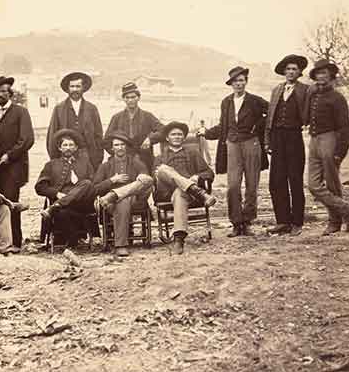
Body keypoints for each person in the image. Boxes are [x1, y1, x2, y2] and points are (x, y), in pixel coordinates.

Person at [201, 66, 268, 237]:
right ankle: (236, 223)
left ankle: (247, 222)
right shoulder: (226, 102)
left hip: (251, 143)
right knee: (233, 186)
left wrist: (257, 127)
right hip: (232, 145)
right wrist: (206, 133)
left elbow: (271, 114)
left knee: (252, 185)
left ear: (246, 82)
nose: (239, 84)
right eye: (235, 81)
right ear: (231, 84)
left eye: (242, 80)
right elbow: (224, 125)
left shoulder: (255, 100)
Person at [306, 59, 349, 235]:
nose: (321, 76)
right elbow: (305, 117)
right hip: (313, 140)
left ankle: (334, 222)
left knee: (332, 184)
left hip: (330, 139)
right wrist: (308, 93)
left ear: (331, 76)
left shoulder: (337, 98)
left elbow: (345, 128)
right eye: (318, 73)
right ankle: (347, 209)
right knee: (313, 185)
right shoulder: (312, 94)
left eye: (324, 73)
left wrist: (339, 153)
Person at [0, 76, 34, 249]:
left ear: (10, 93)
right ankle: (3, 241)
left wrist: (9, 156)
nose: (1, 94)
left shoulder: (21, 112)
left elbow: (27, 139)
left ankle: (16, 242)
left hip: (14, 168)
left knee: (11, 202)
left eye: (5, 91)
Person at [154, 122, 216, 254]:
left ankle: (178, 240)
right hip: (167, 193)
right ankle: (197, 190)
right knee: (162, 169)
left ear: (183, 138)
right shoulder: (160, 157)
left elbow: (209, 173)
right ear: (167, 138)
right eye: (173, 134)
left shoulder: (193, 153)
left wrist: (197, 177)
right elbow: (155, 177)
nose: (177, 137)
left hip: (187, 196)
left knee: (179, 192)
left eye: (179, 134)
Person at [264, 54, 309, 236]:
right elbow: (270, 117)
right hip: (277, 138)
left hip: (294, 137)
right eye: (288, 69)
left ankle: (297, 221)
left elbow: (310, 113)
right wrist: (268, 141)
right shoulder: (276, 90)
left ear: (299, 72)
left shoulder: (306, 90)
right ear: (284, 71)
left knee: (295, 179)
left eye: (294, 69)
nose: (291, 72)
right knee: (276, 180)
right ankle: (282, 221)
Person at [93, 131, 153, 256]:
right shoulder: (105, 166)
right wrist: (112, 180)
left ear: (126, 147)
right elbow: (96, 188)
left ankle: (116, 194)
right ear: (111, 148)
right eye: (116, 145)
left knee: (146, 180)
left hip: (135, 199)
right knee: (122, 201)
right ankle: (121, 245)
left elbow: (146, 180)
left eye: (122, 144)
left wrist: (135, 183)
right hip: (110, 202)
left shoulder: (136, 162)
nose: (119, 147)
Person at [35, 129, 98, 248]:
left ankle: (54, 207)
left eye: (71, 145)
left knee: (87, 183)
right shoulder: (51, 165)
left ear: (76, 148)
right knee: (62, 212)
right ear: (60, 148)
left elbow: (93, 185)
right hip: (63, 204)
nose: (68, 148)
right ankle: (72, 239)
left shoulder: (85, 163)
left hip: (82, 203)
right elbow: (39, 187)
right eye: (65, 145)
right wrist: (56, 194)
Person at [46, 72, 104, 170]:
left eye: (78, 86)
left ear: (83, 88)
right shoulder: (59, 109)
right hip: (65, 155)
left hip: (87, 156)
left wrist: (97, 157)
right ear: (68, 88)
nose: (75, 89)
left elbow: (98, 135)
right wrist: (55, 158)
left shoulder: (92, 108)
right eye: (72, 86)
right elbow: (52, 135)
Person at [105, 82, 164, 171]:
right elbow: (107, 140)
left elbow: (163, 130)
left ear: (138, 98)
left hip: (144, 158)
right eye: (127, 97)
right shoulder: (117, 117)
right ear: (123, 99)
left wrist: (150, 139)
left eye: (133, 97)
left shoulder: (147, 116)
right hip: (122, 160)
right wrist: (117, 153)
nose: (130, 100)